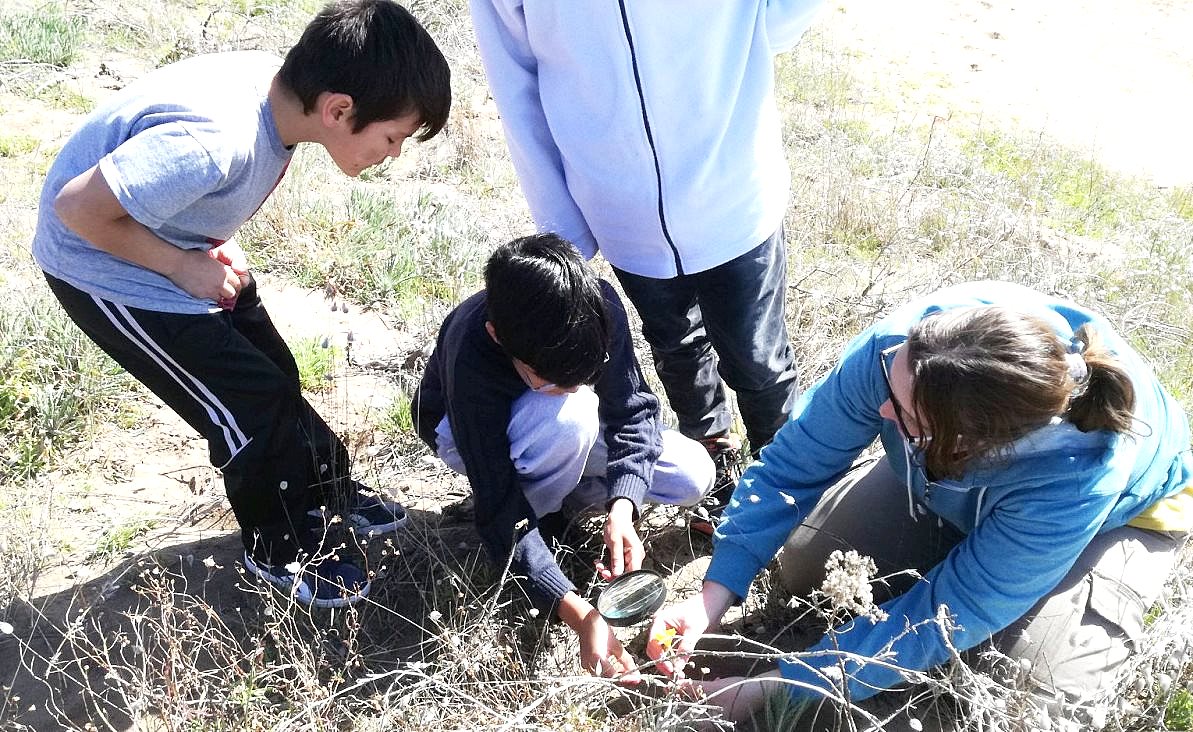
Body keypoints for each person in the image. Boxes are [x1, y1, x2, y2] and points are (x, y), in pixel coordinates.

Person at [32, 0, 452, 608]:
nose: (393, 153)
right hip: (105, 268)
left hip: (168, 240)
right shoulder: (217, 140)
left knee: (277, 375)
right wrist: (179, 263)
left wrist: (208, 239)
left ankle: (326, 490)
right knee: (245, 405)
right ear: (339, 109)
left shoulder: (278, 95)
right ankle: (280, 547)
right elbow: (77, 210)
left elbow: (169, 172)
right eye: (392, 138)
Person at [647, 281, 1193, 725]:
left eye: (905, 413)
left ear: (971, 441)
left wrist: (782, 686)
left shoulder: (1081, 473)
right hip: (945, 469)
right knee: (808, 562)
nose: (882, 408)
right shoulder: (909, 350)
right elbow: (794, 464)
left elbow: (952, 611)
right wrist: (712, 595)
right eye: (894, 384)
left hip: (1121, 519)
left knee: (1035, 699)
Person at [468, 1, 825, 531]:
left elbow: (777, 18)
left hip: (731, 180)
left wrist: (741, 45)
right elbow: (514, 75)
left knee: (758, 361)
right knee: (674, 343)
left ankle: (786, 498)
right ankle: (718, 463)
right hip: (618, 202)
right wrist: (563, 228)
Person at [412, 233, 714, 678]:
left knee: (694, 475)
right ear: (498, 337)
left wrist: (623, 507)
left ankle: (563, 500)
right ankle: (545, 525)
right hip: (460, 431)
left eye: (581, 375)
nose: (568, 385)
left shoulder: (596, 306)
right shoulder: (471, 350)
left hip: (557, 432)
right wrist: (578, 613)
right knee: (569, 418)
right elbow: (497, 500)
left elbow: (633, 412)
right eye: (547, 378)